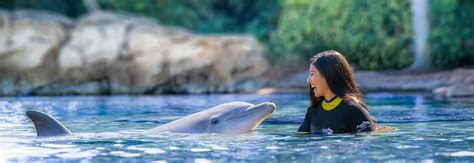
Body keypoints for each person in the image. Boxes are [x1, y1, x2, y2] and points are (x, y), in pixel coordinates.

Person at [297, 50, 379, 134]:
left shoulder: (354, 110)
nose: (308, 80)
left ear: (328, 75)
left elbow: (367, 143)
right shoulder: (313, 111)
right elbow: (300, 141)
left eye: (312, 74)